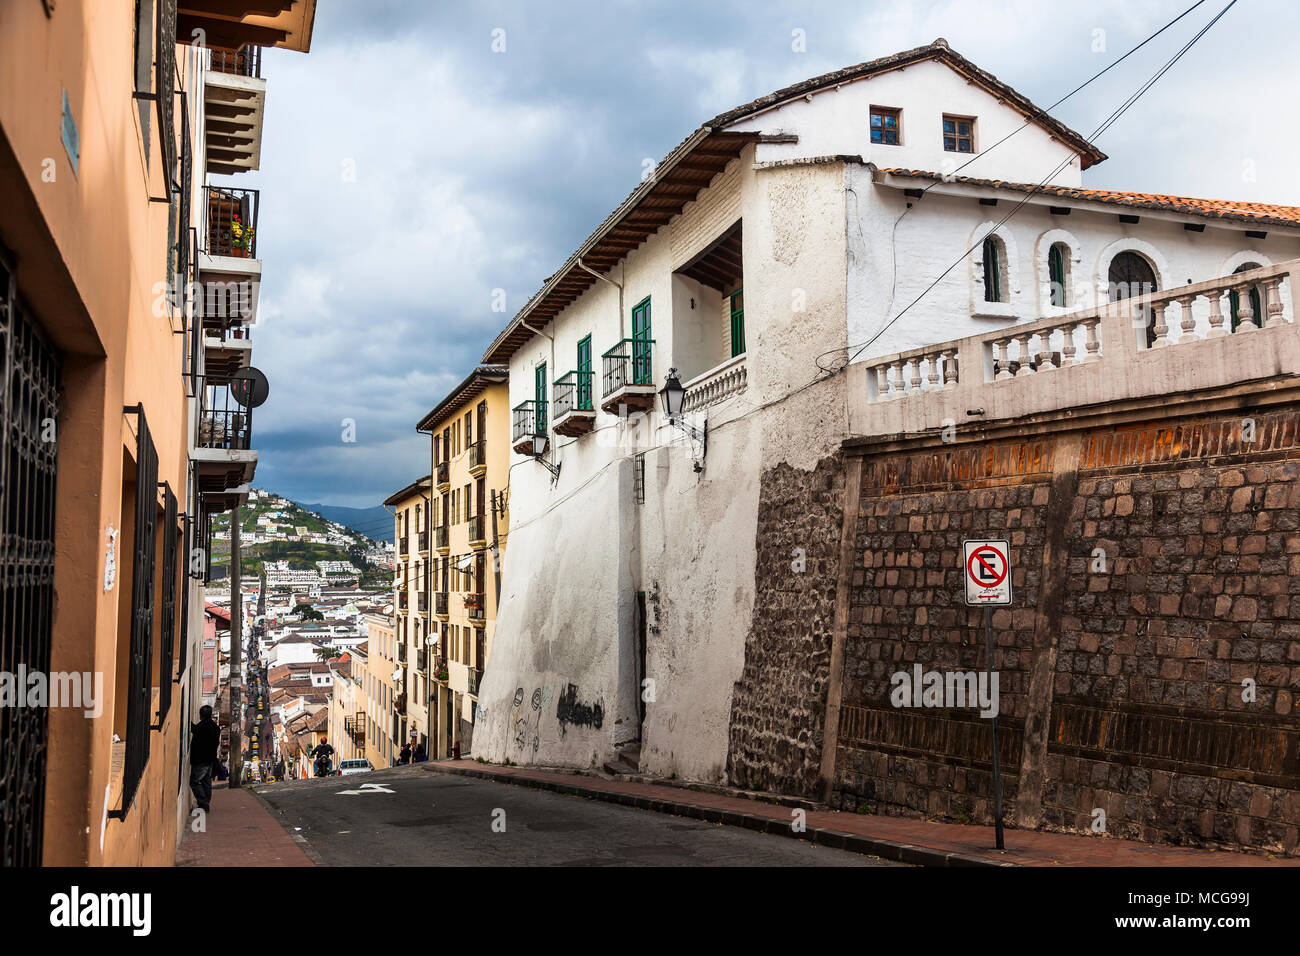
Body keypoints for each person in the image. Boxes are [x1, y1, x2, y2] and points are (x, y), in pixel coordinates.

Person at [189, 705, 221, 812]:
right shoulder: (215, 728)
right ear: (211, 715)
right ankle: (205, 802)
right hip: (210, 759)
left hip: (200, 760)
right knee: (206, 782)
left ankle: (203, 803)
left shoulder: (201, 727)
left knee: (194, 781)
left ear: (200, 715)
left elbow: (195, 729)